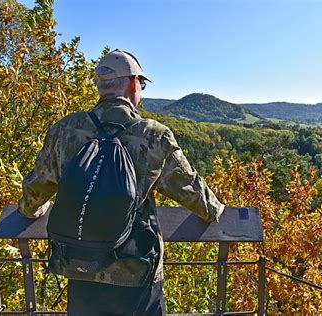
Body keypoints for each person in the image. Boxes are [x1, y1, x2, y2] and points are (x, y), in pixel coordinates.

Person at [18, 49, 225, 315]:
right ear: (132, 83)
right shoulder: (153, 136)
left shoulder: (65, 130)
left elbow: (37, 188)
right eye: (142, 83)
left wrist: (31, 211)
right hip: (135, 270)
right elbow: (193, 193)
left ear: (102, 87)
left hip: (79, 265)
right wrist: (216, 209)